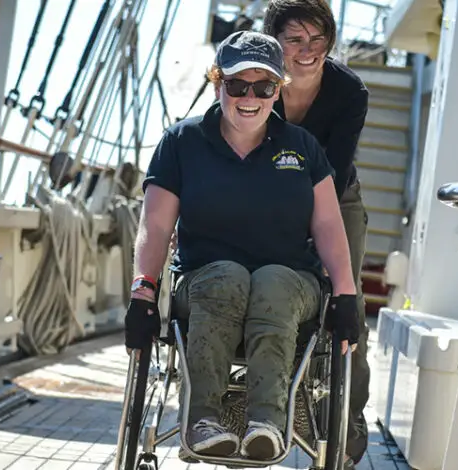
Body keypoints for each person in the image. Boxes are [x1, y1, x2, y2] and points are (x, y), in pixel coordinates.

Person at [125, 30, 360, 462]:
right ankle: (203, 421)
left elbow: (328, 223)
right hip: (204, 280)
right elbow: (155, 226)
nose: (249, 97)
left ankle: (267, 422)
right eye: (237, 85)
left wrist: (346, 295)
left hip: (291, 282)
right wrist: (143, 291)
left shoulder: (303, 147)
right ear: (218, 84)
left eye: (264, 87)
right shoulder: (182, 143)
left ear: (278, 91)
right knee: (226, 275)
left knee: (273, 281)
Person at [263, 0, 372, 465]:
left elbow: (336, 168)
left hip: (335, 191)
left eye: (319, 38)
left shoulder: (350, 91)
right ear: (275, 42)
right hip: (265, 191)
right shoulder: (254, 79)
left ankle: (347, 431)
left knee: (348, 301)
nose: (308, 51)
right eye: (294, 39)